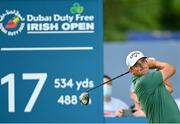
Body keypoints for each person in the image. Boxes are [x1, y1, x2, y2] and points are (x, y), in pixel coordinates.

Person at [126, 50, 180, 123]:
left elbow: (169, 89)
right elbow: (171, 69)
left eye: (143, 61)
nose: (142, 65)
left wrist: (157, 68)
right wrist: (155, 63)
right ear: (131, 70)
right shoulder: (144, 81)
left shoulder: (152, 81)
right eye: (137, 65)